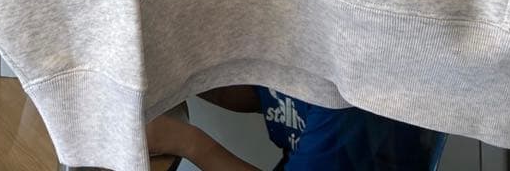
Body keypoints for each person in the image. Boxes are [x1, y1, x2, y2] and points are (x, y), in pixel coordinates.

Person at [147, 85, 447, 171]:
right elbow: (263, 97)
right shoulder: (302, 45)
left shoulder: (351, 104)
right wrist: (182, 75)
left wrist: (187, 142)